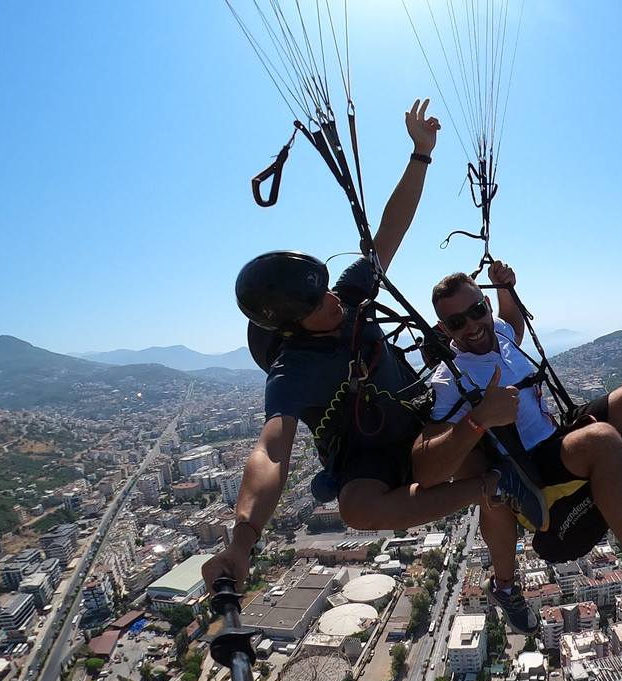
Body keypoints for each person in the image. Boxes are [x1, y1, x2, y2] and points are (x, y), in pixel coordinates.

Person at [201, 101, 545, 595]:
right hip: (366, 456)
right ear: (293, 328)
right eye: (317, 305)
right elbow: (271, 450)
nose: (332, 304)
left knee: (468, 446)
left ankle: (503, 534)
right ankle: (492, 488)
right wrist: (242, 539)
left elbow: (389, 231)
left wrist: (420, 154)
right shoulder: (293, 370)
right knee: (356, 510)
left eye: (326, 292)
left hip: (417, 419)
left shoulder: (349, 296)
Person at [412, 261, 622, 636]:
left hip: (556, 436)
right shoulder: (449, 381)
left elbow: (512, 323)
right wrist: (479, 418)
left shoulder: (501, 331)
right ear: (445, 330)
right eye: (457, 322)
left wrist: (504, 286)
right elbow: (426, 471)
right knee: (602, 440)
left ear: (486, 306)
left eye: (477, 310)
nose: (472, 326)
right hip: (530, 467)